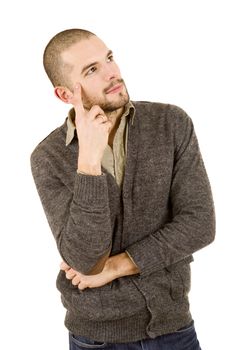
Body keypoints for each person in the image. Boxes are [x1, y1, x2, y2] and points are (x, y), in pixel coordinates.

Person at [31, 28, 215, 350]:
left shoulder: (170, 123)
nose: (113, 73)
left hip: (173, 328)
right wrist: (87, 163)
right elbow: (86, 261)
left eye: (110, 58)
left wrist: (115, 267)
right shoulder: (48, 158)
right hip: (96, 339)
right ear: (64, 95)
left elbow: (199, 224)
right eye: (92, 70)